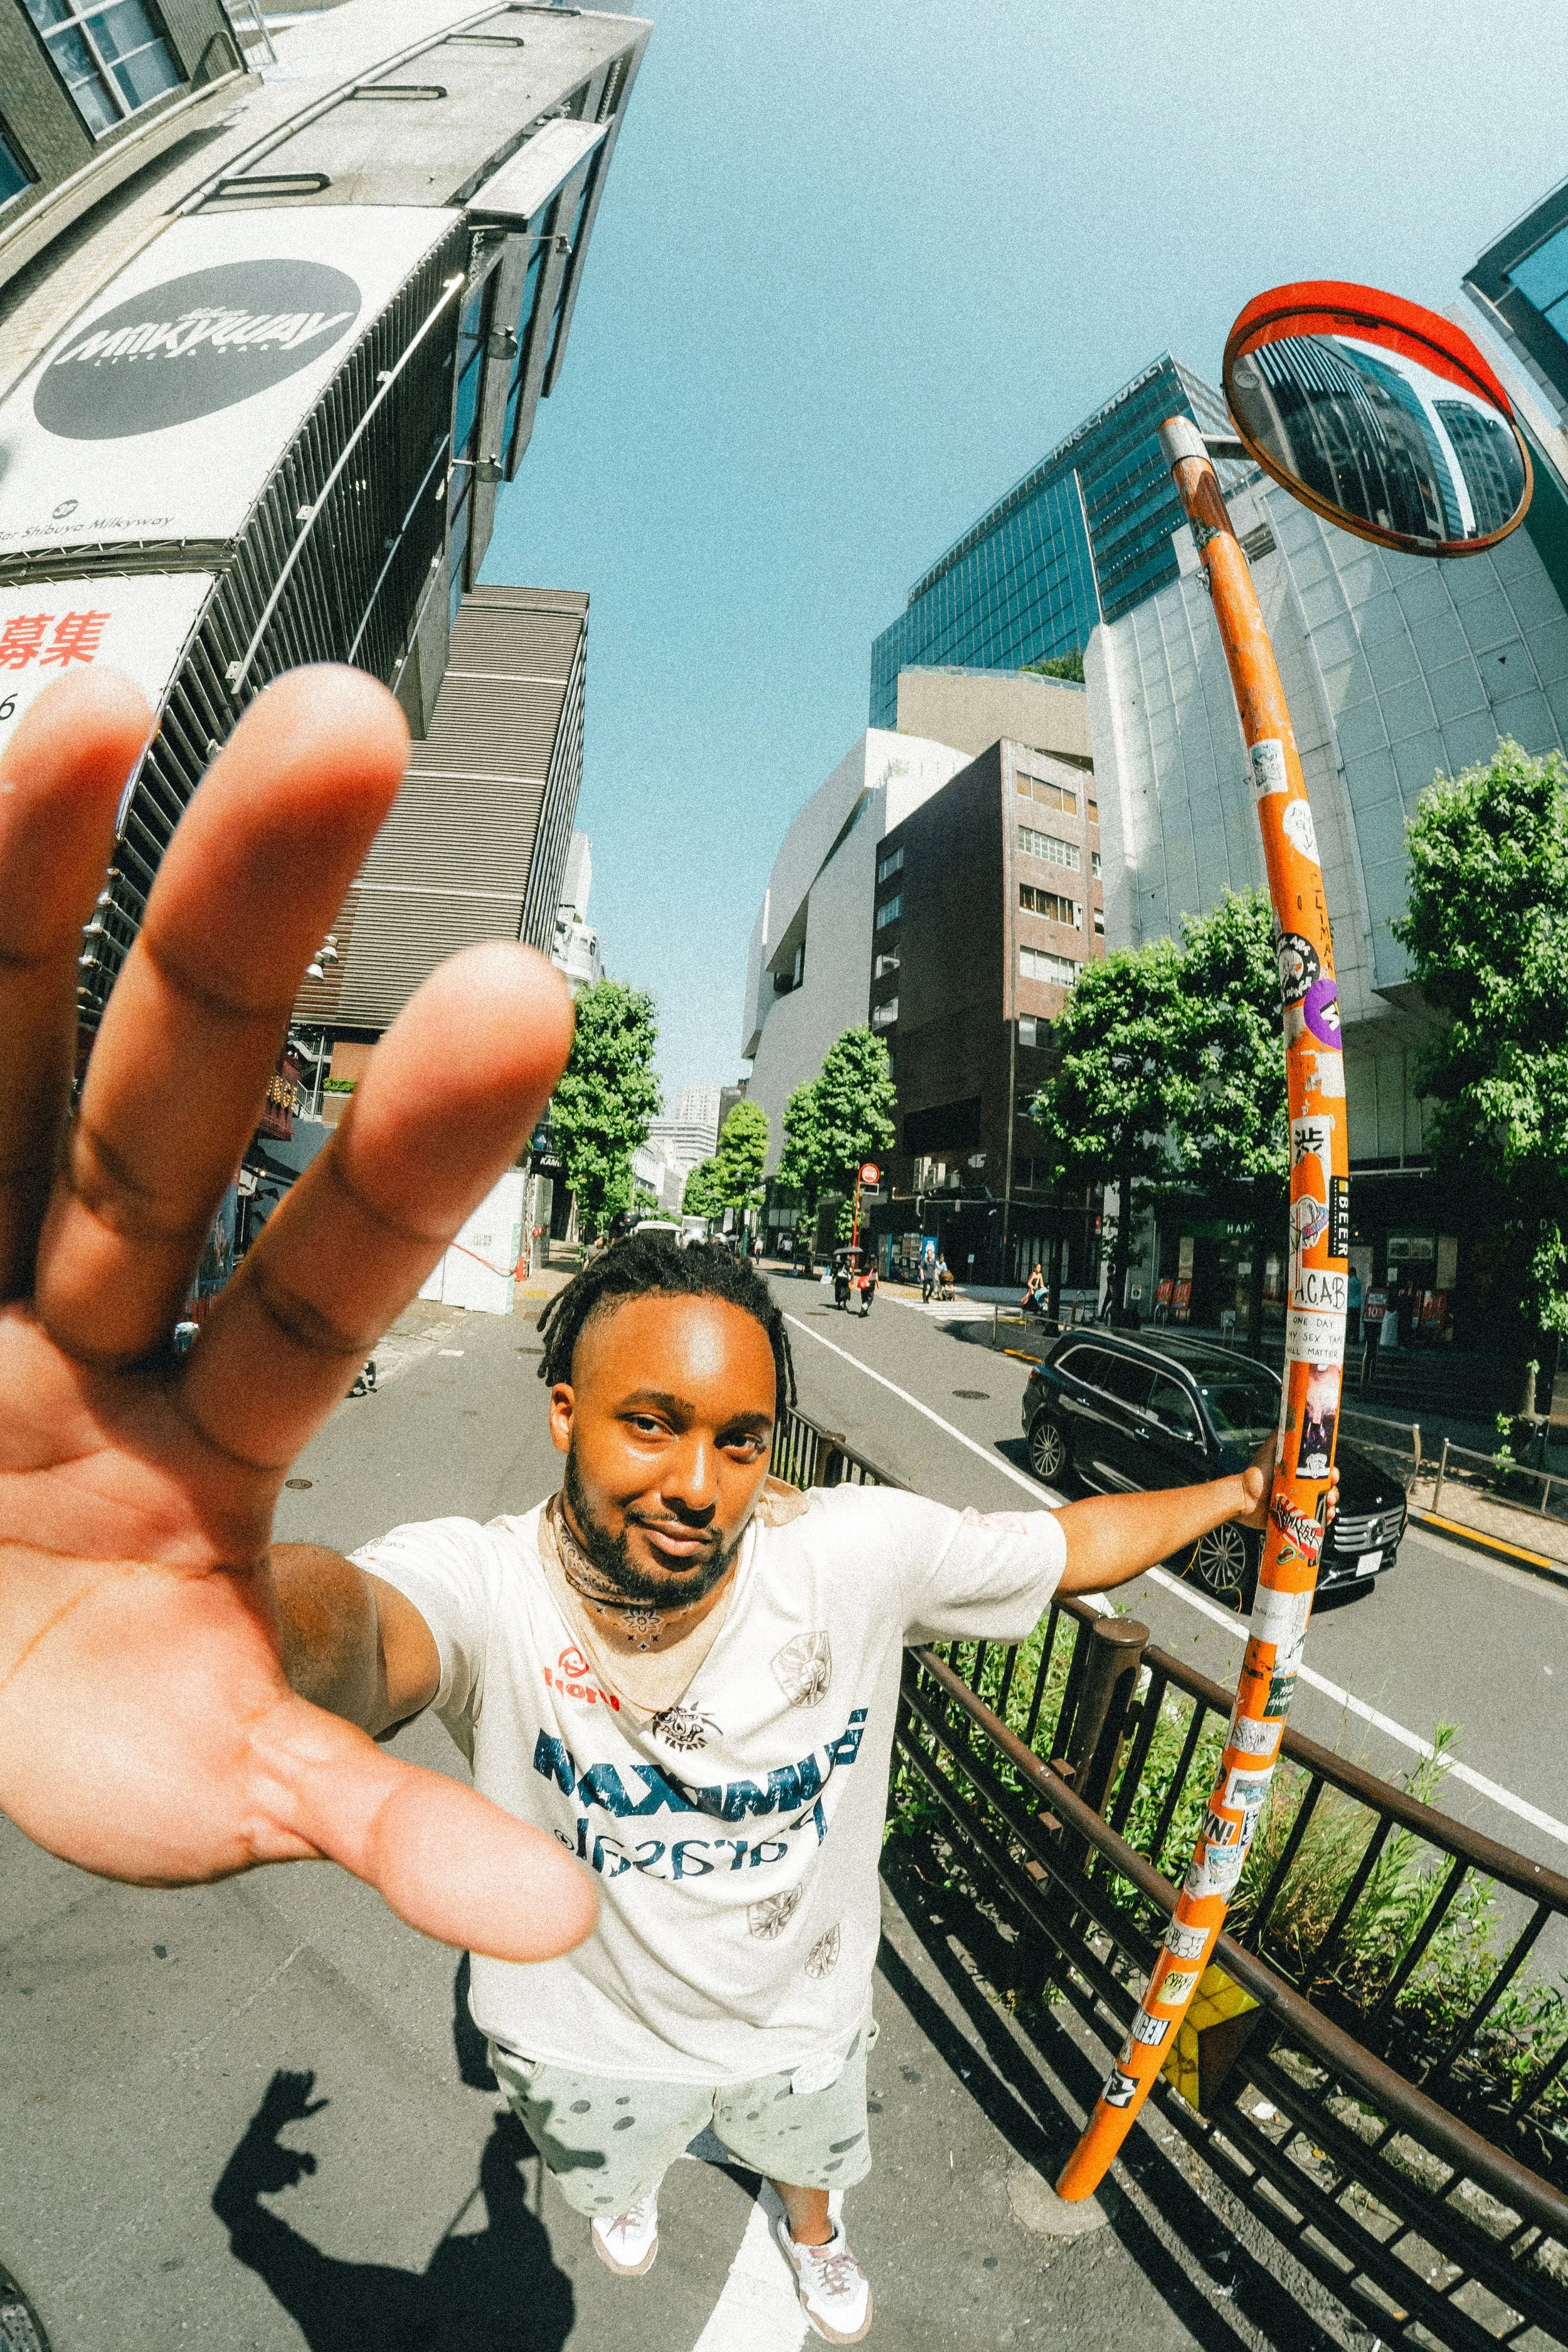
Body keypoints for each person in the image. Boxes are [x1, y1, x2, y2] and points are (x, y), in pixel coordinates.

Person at [0, 668, 1323, 2346]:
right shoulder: (483, 1585)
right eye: (648, 1422)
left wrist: (1227, 1492)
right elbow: (359, 1640)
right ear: (563, 1411)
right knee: (604, 2170)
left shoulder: (851, 1553)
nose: (695, 1483)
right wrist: (225, 1628)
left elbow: (1065, 1545)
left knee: (809, 2160)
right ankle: (621, 2190)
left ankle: (814, 2232)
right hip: (574, 2034)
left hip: (801, 2022)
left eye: (739, 1438)